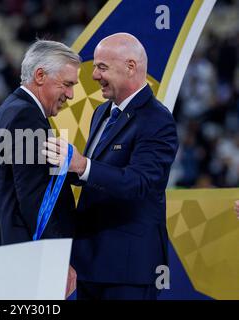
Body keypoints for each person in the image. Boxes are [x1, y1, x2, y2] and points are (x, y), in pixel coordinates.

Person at [43, 33, 179, 300]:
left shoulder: (157, 120)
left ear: (131, 66)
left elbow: (140, 183)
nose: (93, 75)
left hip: (129, 269)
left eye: (102, 67)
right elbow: (95, 178)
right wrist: (59, 166)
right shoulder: (102, 112)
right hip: (90, 263)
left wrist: (83, 166)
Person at [0, 40, 81, 297]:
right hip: (24, 256)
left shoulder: (6, 110)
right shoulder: (26, 117)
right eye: (67, 84)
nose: (71, 94)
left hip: (1, 250)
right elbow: (35, 197)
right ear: (40, 75)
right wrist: (56, 258)